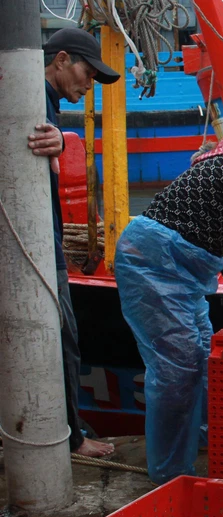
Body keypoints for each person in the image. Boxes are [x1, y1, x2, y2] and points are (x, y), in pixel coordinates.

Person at [114, 119, 223, 484]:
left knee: (200, 358)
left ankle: (208, 440)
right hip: (154, 264)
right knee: (177, 369)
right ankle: (171, 476)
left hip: (181, 273)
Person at [28, 27, 120, 458]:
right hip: (37, 248)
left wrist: (62, 140)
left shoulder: (43, 103)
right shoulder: (32, 98)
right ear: (61, 59)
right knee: (62, 334)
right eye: (86, 73)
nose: (88, 87)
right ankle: (73, 437)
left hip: (41, 241)